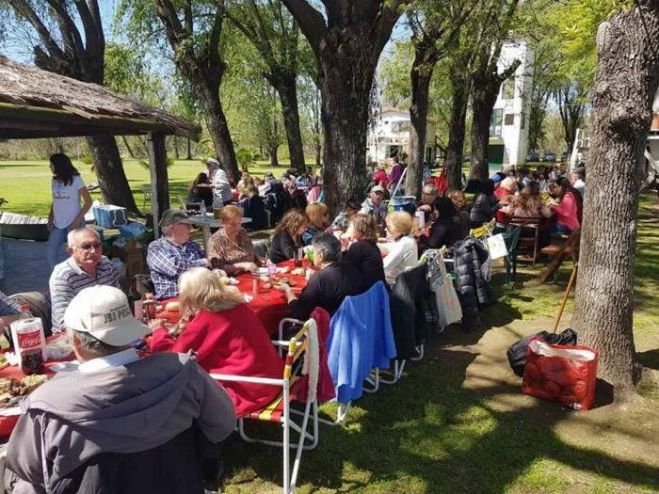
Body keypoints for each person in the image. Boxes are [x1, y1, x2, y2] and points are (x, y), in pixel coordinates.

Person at [5, 285, 236, 494]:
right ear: (130, 332)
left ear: (75, 341)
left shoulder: (47, 404)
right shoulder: (183, 369)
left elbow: (27, 469)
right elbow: (222, 425)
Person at [149, 268, 283, 417]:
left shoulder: (208, 318)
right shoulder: (238, 304)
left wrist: (158, 333)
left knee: (177, 381)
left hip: (247, 391)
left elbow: (173, 359)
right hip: (272, 379)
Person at [280, 233, 366, 320]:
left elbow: (299, 312)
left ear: (320, 256)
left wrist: (289, 292)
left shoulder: (320, 278)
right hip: (356, 320)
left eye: (313, 252)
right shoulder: (351, 268)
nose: (312, 255)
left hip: (330, 326)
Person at [49, 228, 119, 332]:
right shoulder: (62, 276)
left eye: (97, 245)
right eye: (86, 247)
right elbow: (63, 322)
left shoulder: (106, 263)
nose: (93, 251)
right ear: (71, 251)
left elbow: (119, 300)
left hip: (109, 326)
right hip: (76, 335)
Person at [147, 209, 209, 300]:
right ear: (173, 228)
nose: (191, 228)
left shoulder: (192, 245)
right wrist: (203, 263)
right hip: (173, 298)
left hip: (200, 295)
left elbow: (208, 264)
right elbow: (175, 268)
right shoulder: (156, 247)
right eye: (187, 225)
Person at [47, 153, 92, 269]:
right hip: (58, 224)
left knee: (77, 255)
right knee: (51, 253)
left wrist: (77, 221)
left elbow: (88, 202)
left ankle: (80, 277)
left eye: (51, 164)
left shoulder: (76, 180)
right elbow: (55, 201)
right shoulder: (54, 181)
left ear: (59, 165)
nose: (49, 166)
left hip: (74, 224)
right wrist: (50, 218)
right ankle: (57, 279)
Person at [208, 205, 260, 275]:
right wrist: (241, 266)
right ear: (223, 223)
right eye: (232, 224)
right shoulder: (215, 240)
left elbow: (250, 252)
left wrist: (258, 258)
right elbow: (217, 268)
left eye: (239, 223)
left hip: (252, 273)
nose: (237, 227)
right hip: (231, 279)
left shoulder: (242, 232)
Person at [343, 214, 386, 289]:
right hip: (377, 289)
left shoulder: (358, 246)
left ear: (359, 229)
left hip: (366, 291)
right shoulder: (372, 246)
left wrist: (343, 247)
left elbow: (344, 270)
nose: (348, 229)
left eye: (350, 227)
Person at [382, 211, 418, 285]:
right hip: (404, 283)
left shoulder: (404, 243)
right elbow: (389, 247)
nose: (385, 229)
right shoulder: (408, 240)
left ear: (400, 228)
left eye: (389, 227)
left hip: (397, 287)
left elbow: (385, 266)